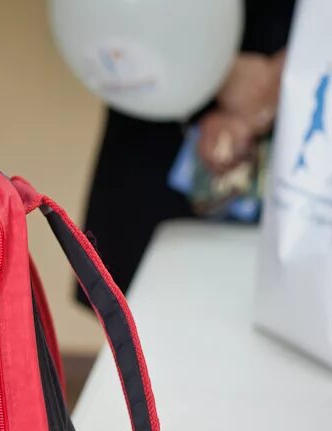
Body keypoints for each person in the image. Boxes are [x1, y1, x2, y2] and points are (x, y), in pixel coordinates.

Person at [80, 0, 296, 303]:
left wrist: (285, 76)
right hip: (157, 108)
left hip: (304, 126)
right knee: (144, 313)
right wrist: (217, 71)